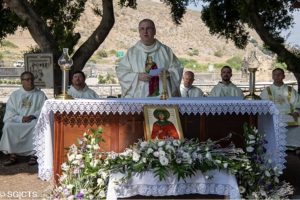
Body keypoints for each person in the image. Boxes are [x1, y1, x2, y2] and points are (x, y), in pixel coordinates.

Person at [116, 19, 183, 98]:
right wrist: (137, 76)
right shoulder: (132, 53)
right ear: (139, 32)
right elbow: (121, 72)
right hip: (139, 98)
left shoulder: (166, 51)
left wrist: (168, 74)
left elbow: (177, 68)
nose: (145, 32)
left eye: (149, 28)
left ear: (154, 31)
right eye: (142, 29)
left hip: (162, 98)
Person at [0, 71, 47, 166]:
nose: (30, 81)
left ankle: (34, 154)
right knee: (8, 126)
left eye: (32, 79)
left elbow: (44, 109)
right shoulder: (15, 95)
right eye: (27, 79)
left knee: (36, 126)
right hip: (18, 121)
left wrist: (33, 116)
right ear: (22, 81)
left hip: (33, 120)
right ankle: (13, 154)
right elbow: (10, 111)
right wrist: (21, 118)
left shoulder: (40, 95)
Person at [260, 68, 300, 149]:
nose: (277, 76)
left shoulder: (290, 90)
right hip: (272, 115)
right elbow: (262, 105)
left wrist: (296, 111)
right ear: (272, 76)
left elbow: (297, 102)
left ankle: (294, 146)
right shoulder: (266, 91)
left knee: (299, 120)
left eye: (280, 74)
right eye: (275, 74)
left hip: (290, 114)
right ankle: (270, 145)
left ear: (284, 76)